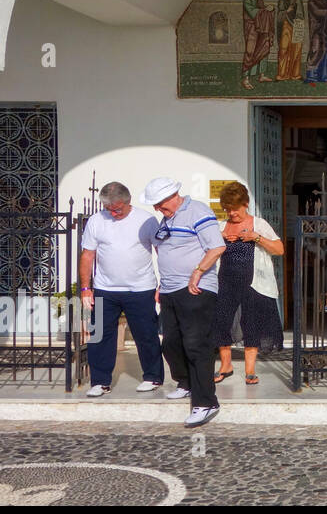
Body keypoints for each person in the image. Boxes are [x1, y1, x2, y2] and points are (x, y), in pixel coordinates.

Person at [145, 176, 224, 428]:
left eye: (159, 203)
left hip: (195, 289)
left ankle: (206, 402)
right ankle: (186, 383)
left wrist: (198, 272)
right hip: (170, 289)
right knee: (170, 343)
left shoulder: (197, 211)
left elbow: (217, 247)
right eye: (155, 205)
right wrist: (162, 282)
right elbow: (167, 251)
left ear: (173, 196)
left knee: (196, 345)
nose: (157, 209)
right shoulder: (168, 217)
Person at [78, 182, 164, 397]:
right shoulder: (97, 221)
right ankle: (100, 382)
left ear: (128, 201)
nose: (113, 213)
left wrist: (163, 283)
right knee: (100, 335)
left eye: (117, 209)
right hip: (105, 288)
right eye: (109, 209)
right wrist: (86, 288)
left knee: (146, 334)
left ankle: (153, 377)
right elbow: (88, 255)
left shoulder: (146, 220)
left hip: (141, 287)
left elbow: (161, 251)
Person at [212, 181, 284, 386]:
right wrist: (220, 237)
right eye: (228, 209)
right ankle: (226, 366)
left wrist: (256, 237)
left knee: (251, 324)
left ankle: (250, 370)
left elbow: (279, 249)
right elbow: (206, 250)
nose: (232, 213)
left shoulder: (258, 224)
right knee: (221, 322)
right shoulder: (220, 226)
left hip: (253, 283)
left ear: (245, 204)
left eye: (235, 208)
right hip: (225, 282)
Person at [241, 0, 276, 90]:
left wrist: (269, 9)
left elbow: (262, 10)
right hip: (252, 28)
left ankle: (262, 75)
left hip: (262, 28)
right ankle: (246, 79)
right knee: (250, 50)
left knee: (264, 48)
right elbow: (252, 12)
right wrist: (266, 10)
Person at [274, 0, 305, 81]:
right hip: (285, 26)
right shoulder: (282, 0)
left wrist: (297, 21)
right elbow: (279, 16)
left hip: (296, 26)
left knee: (296, 49)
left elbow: (300, 13)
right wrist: (286, 12)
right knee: (283, 49)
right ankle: (282, 74)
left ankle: (295, 74)